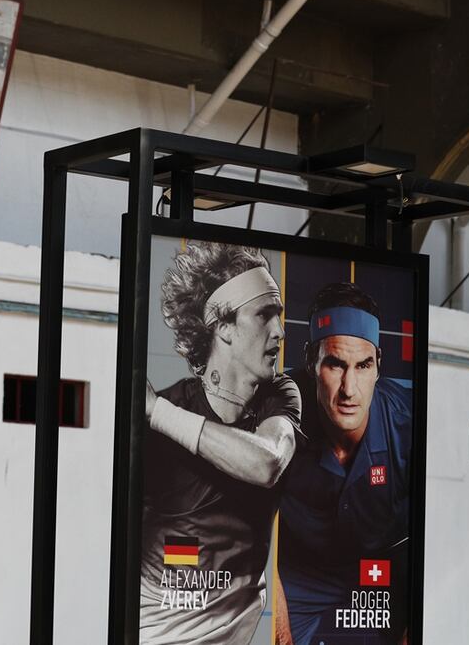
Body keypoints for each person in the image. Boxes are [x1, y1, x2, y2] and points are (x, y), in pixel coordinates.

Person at [139, 241, 300, 644]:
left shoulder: (279, 394)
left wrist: (156, 413)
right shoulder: (165, 415)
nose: (279, 331)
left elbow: (268, 463)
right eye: (264, 315)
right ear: (223, 327)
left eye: (278, 315)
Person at [275, 282, 412, 645]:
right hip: (300, 573)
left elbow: (441, 535)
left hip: (384, 572)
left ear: (378, 366)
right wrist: (277, 628)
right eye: (335, 365)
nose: (350, 388)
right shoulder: (273, 416)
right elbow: (244, 526)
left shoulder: (409, 425)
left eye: (363, 365)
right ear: (310, 362)